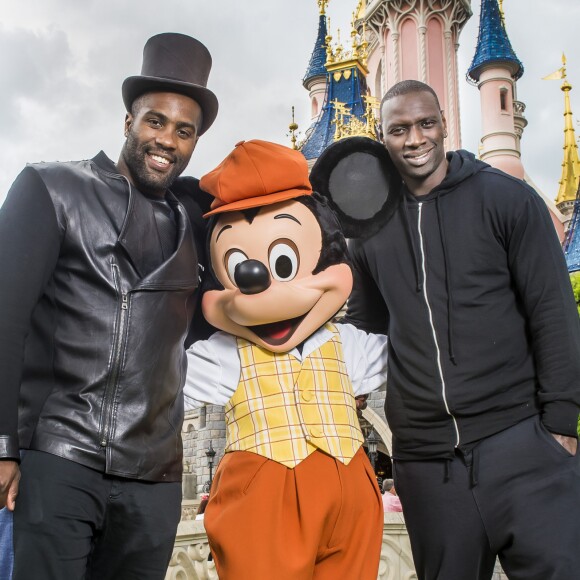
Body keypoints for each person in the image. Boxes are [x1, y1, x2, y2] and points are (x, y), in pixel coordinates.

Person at [0, 32, 218, 580]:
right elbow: (5, 319)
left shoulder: (195, 226)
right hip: (61, 457)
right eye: (155, 121)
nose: (167, 139)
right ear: (128, 122)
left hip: (155, 480)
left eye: (183, 131)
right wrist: (4, 446)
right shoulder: (51, 188)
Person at [341, 80, 580, 579]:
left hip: (519, 440)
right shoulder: (368, 230)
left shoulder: (507, 199)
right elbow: (367, 328)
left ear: (444, 124)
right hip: (428, 464)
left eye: (425, 124)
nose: (414, 139)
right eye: (399, 129)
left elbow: (552, 311)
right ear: (382, 138)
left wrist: (559, 424)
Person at [184, 140, 387, 579]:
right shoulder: (223, 356)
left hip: (351, 504)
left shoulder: (348, 344)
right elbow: (151, 374)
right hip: (263, 511)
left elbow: (415, 349)